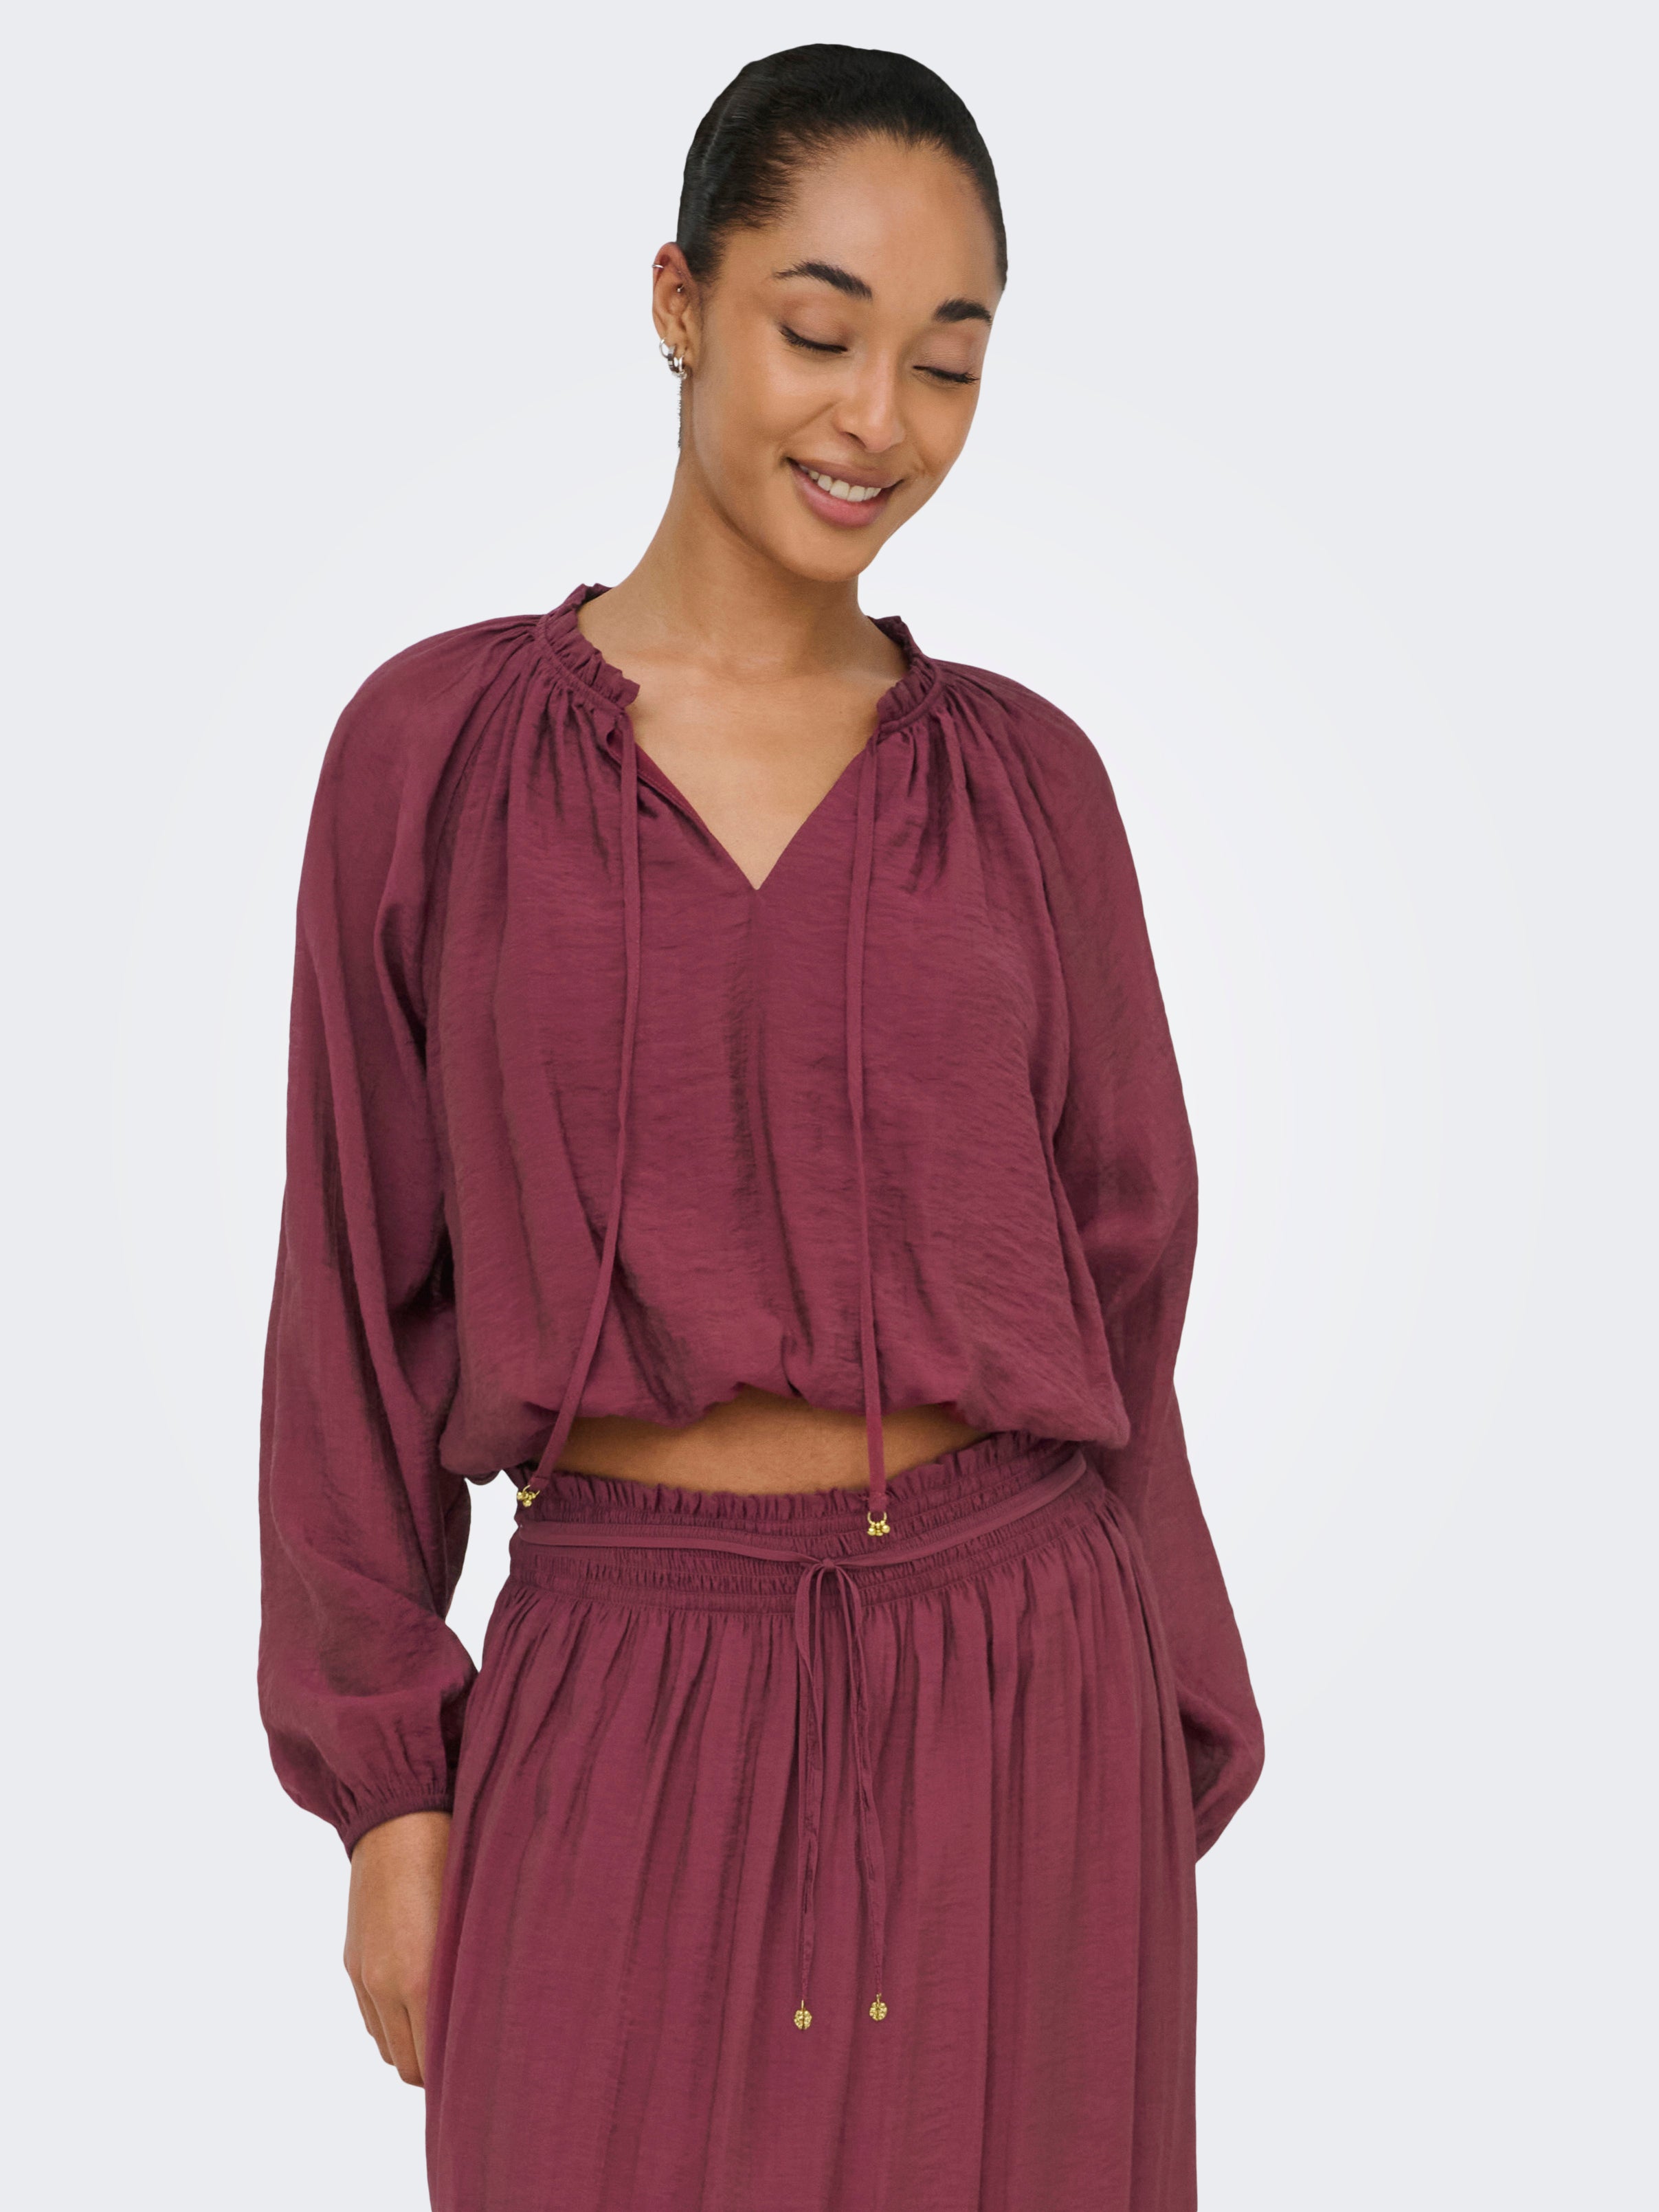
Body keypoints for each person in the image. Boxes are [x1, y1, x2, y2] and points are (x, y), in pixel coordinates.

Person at [258, 42, 1264, 2212]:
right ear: (680, 299)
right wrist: (391, 1792)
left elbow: (1130, 1294)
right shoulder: (435, 757)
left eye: (947, 363)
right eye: (821, 331)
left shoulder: (1029, 790)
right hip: (618, 1682)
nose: (877, 419)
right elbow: (349, 1295)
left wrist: (1155, 1729)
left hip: (1018, 1691)